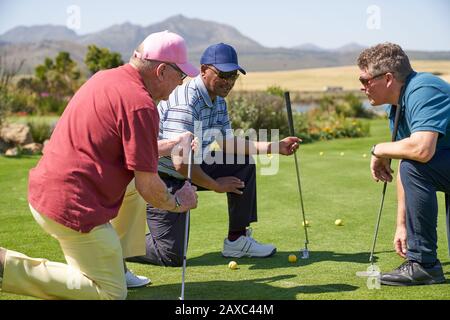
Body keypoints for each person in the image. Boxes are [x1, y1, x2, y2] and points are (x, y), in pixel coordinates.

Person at [0, 30, 198, 300]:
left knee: (130, 188)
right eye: (181, 76)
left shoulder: (107, 77)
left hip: (47, 191)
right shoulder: (141, 105)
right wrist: (179, 202)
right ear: (162, 71)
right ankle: (6, 268)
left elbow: (132, 151)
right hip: (72, 207)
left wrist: (174, 142)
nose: (181, 84)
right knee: (111, 293)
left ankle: (118, 264)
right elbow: (149, 186)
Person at [127, 43, 301, 267]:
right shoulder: (186, 102)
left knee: (242, 164)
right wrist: (215, 184)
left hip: (192, 167)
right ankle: (120, 243)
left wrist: (275, 147)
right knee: (170, 255)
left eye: (233, 75)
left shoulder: (218, 100)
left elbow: (227, 143)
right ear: (203, 70)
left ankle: (237, 239)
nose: (228, 81)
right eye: (223, 74)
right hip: (163, 175)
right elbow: (179, 163)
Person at [357, 42, 450, 286]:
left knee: (414, 163)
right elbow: (409, 165)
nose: (362, 87)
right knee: (411, 166)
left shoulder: (424, 89)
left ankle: (424, 265)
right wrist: (402, 226)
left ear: (387, 78)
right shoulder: (396, 107)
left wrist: (379, 149)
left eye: (365, 80)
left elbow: (421, 150)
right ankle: (421, 259)